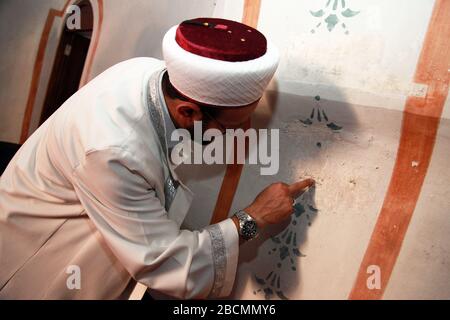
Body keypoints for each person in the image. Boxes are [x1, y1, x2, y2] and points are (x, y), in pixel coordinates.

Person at [0, 17, 314, 299]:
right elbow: (170, 266)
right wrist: (254, 219)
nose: (232, 136)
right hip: (36, 259)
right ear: (189, 111)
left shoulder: (149, 73)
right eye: (228, 127)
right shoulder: (114, 153)